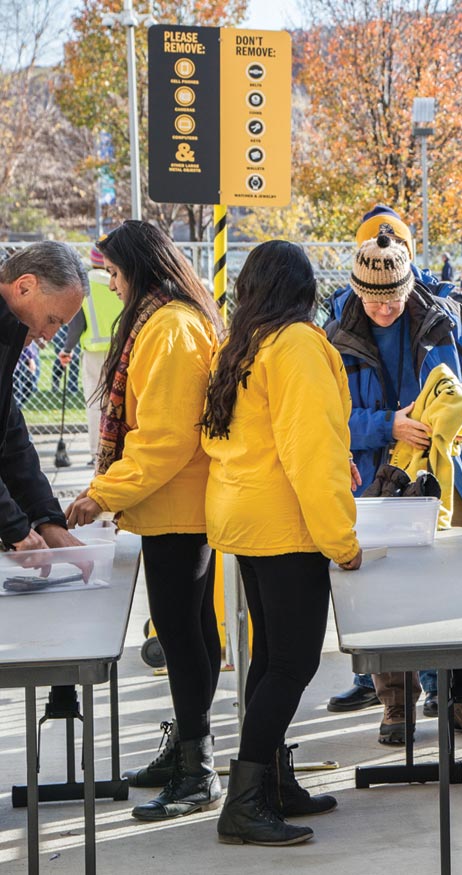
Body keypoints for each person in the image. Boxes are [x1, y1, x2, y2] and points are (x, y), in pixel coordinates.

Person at [62, 221, 225, 821]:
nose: (110, 281)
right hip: (178, 504)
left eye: (113, 270)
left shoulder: (172, 327)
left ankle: (197, 768)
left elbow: (164, 439)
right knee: (191, 631)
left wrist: (103, 493)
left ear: (139, 267)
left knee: (181, 637)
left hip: (178, 507)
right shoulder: (172, 318)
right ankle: (187, 749)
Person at [203, 240, 361, 846]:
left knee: (270, 657)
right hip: (286, 523)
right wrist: (340, 539)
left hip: (248, 517)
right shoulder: (295, 344)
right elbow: (310, 453)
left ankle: (268, 786)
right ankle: (245, 806)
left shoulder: (242, 341)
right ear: (302, 290)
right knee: (292, 663)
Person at [324, 232, 462, 744]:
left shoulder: (448, 315)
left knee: (458, 587)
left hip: (450, 471)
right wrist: (386, 426)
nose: (384, 309)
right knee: (386, 591)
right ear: (356, 292)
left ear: (411, 285)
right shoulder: (333, 333)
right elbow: (327, 418)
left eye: (393, 298)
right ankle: (396, 703)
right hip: (376, 474)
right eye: (373, 300)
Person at [0, 242, 91, 731]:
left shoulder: (12, 326)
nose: (55, 335)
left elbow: (9, 434)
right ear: (26, 286)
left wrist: (47, 521)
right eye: (55, 320)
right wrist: (16, 527)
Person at [57, 246, 122, 461]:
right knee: (120, 401)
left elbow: (77, 326)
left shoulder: (85, 286)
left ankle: (97, 453)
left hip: (94, 352)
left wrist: (67, 350)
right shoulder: (121, 280)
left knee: (96, 402)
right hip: (121, 349)